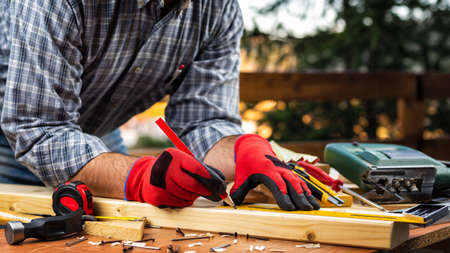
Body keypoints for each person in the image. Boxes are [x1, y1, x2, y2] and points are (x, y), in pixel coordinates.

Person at [0, 0, 340, 211]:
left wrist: (244, 151)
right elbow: (40, 131)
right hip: (11, 143)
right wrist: (138, 178)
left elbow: (203, 120)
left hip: (97, 134)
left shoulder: (217, 9)